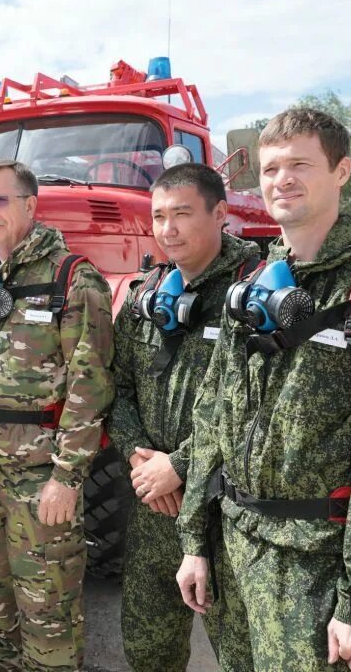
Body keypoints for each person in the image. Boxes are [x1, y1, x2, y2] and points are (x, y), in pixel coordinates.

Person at [176, 108, 351, 672]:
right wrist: (195, 542)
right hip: (235, 547)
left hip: (316, 567)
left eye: (301, 164)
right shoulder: (249, 285)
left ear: (341, 171)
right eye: (272, 168)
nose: (283, 180)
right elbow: (213, 416)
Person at [0, 160, 114, 671]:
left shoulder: (72, 278)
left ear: (30, 205)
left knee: (48, 611)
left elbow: (89, 386)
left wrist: (67, 478)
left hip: (40, 477)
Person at [109, 163, 258, 671]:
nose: (168, 228)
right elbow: (118, 387)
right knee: (149, 649)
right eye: (159, 215)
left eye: (182, 214)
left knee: (240, 652)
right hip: (154, 505)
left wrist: (179, 465)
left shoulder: (257, 293)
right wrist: (141, 461)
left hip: (226, 510)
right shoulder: (145, 295)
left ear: (220, 215)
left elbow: (255, 405)